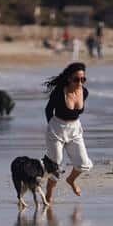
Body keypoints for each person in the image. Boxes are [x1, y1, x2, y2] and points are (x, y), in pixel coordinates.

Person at [44, 63, 92, 202]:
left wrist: (73, 126)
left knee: (83, 163)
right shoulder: (59, 92)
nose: (80, 82)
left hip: (75, 129)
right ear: (69, 79)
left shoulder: (85, 92)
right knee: (56, 164)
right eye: (76, 79)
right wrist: (52, 127)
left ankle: (71, 180)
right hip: (57, 128)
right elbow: (48, 110)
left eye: (83, 79)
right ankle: (49, 194)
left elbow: (76, 112)